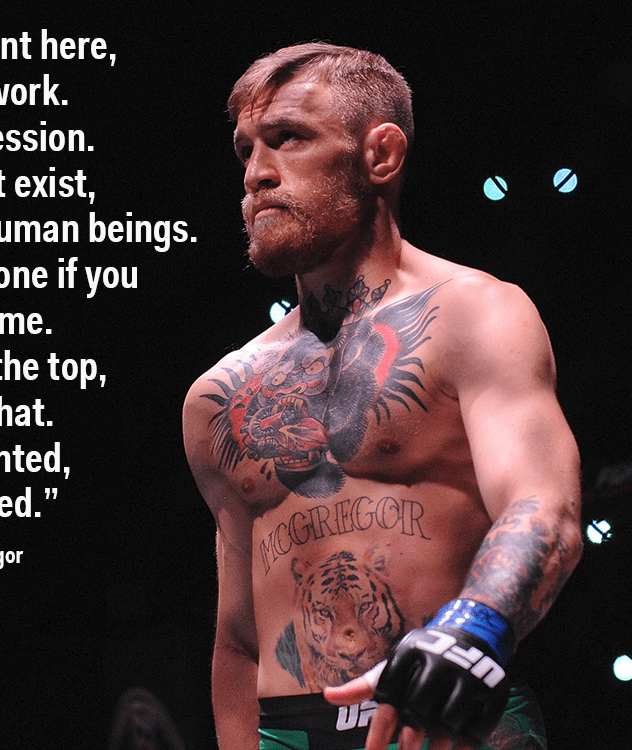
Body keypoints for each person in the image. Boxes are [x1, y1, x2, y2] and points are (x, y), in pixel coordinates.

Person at [182, 42, 582, 750]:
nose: (255, 173)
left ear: (381, 155)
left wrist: (472, 630)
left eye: (288, 138)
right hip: (287, 733)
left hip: (450, 713)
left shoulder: (475, 314)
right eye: (245, 150)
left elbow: (543, 507)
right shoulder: (221, 395)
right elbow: (239, 639)